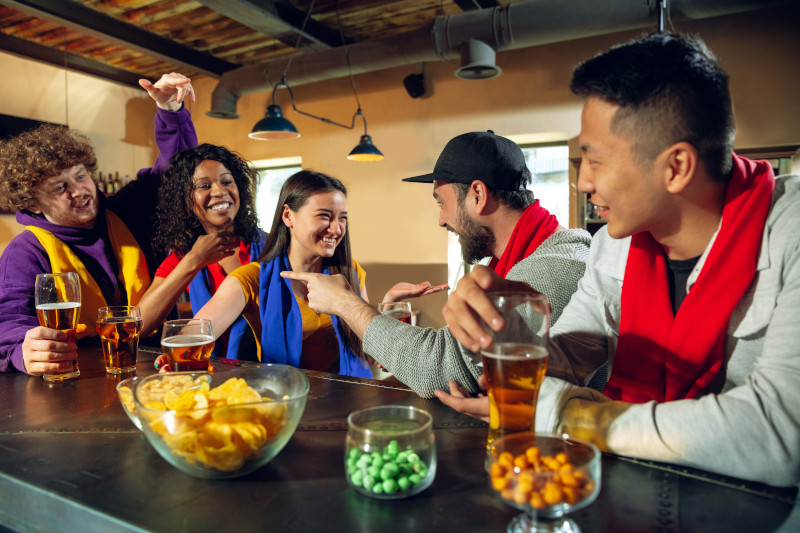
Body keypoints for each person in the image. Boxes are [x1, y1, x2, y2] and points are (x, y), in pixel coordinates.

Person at [438, 32, 800, 487]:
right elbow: (576, 350)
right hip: (625, 491)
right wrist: (509, 327)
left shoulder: (789, 233)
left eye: (594, 160)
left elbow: (777, 436)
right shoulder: (614, 242)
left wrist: (566, 413)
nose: (582, 182)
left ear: (676, 167)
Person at [282, 131, 591, 396]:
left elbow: (438, 366)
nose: (441, 219)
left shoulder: (550, 269)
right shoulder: (521, 259)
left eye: (441, 202)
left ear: (478, 195)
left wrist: (345, 303)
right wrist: (384, 311)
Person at [0, 73, 198, 376]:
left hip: (157, 365)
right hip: (80, 376)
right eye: (60, 187)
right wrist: (22, 349)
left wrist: (170, 111)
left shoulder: (127, 210)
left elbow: (176, 172)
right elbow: (9, 322)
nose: (79, 190)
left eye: (80, 176)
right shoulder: (26, 251)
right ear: (32, 203)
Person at [185, 170, 373, 377]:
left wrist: (385, 316)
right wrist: (175, 356)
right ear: (287, 216)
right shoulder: (251, 278)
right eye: (324, 216)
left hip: (351, 399)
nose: (336, 229)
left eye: (343, 218)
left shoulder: (351, 271)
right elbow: (191, 337)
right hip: (286, 402)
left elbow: (369, 352)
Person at [136, 143, 265, 359]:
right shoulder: (183, 257)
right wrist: (194, 260)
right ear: (187, 201)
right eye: (204, 186)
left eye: (226, 181)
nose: (220, 191)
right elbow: (140, 325)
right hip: (210, 373)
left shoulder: (269, 247)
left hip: (270, 372)